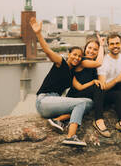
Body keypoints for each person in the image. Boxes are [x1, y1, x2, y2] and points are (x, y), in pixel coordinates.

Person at [31, 17, 93, 146]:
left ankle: (57, 120)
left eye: (80, 56)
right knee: (80, 103)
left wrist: (94, 82)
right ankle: (70, 136)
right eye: (74, 54)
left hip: (55, 103)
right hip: (44, 101)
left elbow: (80, 88)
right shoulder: (61, 62)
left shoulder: (73, 73)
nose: (77, 58)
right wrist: (38, 33)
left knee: (88, 103)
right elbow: (47, 51)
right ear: (69, 54)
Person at [66, 36, 117, 137]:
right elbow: (98, 63)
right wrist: (101, 45)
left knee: (113, 92)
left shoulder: (93, 66)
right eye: (89, 48)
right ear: (85, 49)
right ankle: (99, 120)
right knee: (97, 87)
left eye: (95, 49)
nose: (91, 51)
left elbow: (101, 81)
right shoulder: (83, 61)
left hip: (86, 94)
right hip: (75, 95)